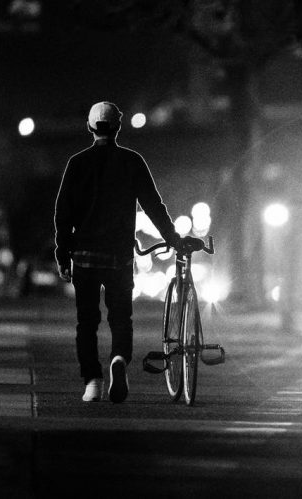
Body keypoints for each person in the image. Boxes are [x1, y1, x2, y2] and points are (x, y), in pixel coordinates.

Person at [54, 101, 181, 403]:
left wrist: (63, 252)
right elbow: (153, 205)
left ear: (90, 127)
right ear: (118, 127)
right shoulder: (132, 161)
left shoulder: (77, 163)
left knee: (86, 322)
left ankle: (92, 382)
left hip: (84, 256)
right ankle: (119, 359)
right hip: (119, 257)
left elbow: (63, 212)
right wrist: (172, 237)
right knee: (121, 317)